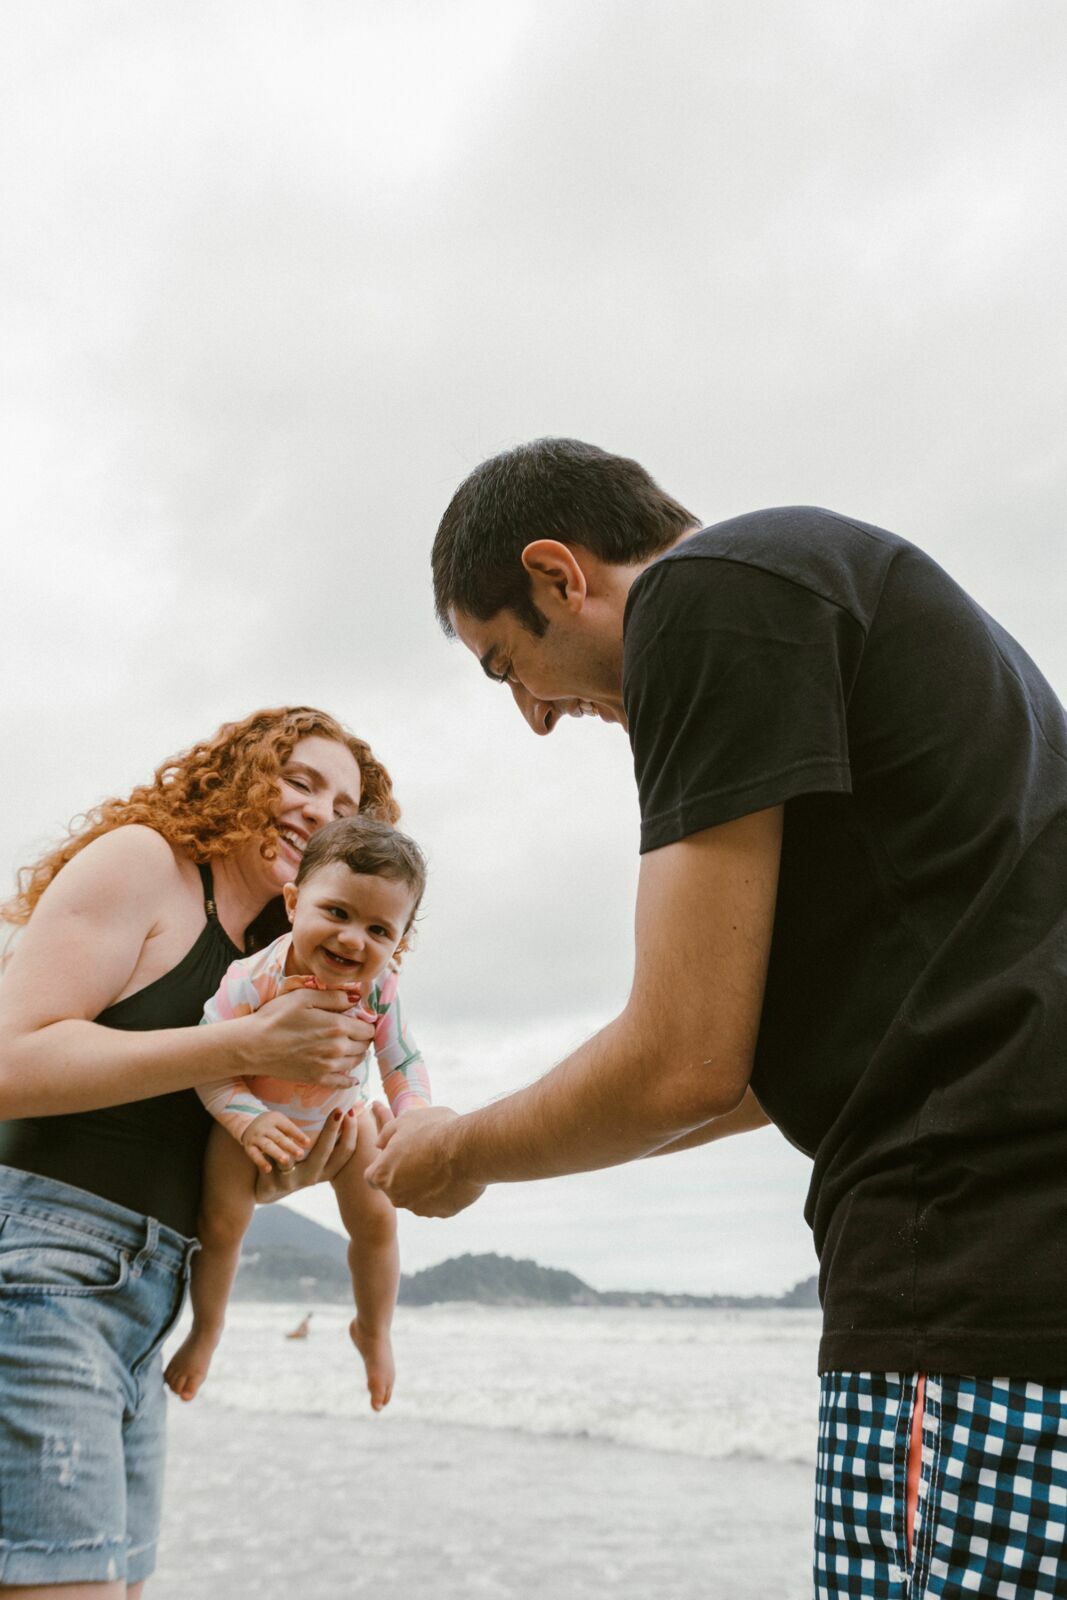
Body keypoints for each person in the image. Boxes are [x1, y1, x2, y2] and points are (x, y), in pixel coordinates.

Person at [367, 438, 1067, 1597]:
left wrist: (461, 1150)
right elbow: (738, 1068)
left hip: (963, 1265)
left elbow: (680, 1060)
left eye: (506, 668)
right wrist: (488, 1142)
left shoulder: (704, 593)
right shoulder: (845, 601)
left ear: (556, 574)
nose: (535, 717)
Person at [0, 705, 398, 1597]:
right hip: (38, 1271)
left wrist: (279, 1168)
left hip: (150, 1300)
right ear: (237, 776)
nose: (317, 812)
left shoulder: (279, 961)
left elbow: (188, 1136)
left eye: (343, 807)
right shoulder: (146, 864)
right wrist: (245, 1046)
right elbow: (9, 1064)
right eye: (299, 781)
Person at [164, 815, 430, 1412]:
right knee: (221, 1225)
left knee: (378, 1222)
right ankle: (206, 1330)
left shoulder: (381, 989)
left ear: (398, 943)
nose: (353, 940)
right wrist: (248, 1120)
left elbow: (403, 1061)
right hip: (251, 1123)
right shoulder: (251, 979)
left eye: (378, 929)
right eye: (336, 912)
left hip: (342, 1122)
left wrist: (413, 1116)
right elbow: (206, 1061)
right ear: (293, 903)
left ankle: (373, 1330)